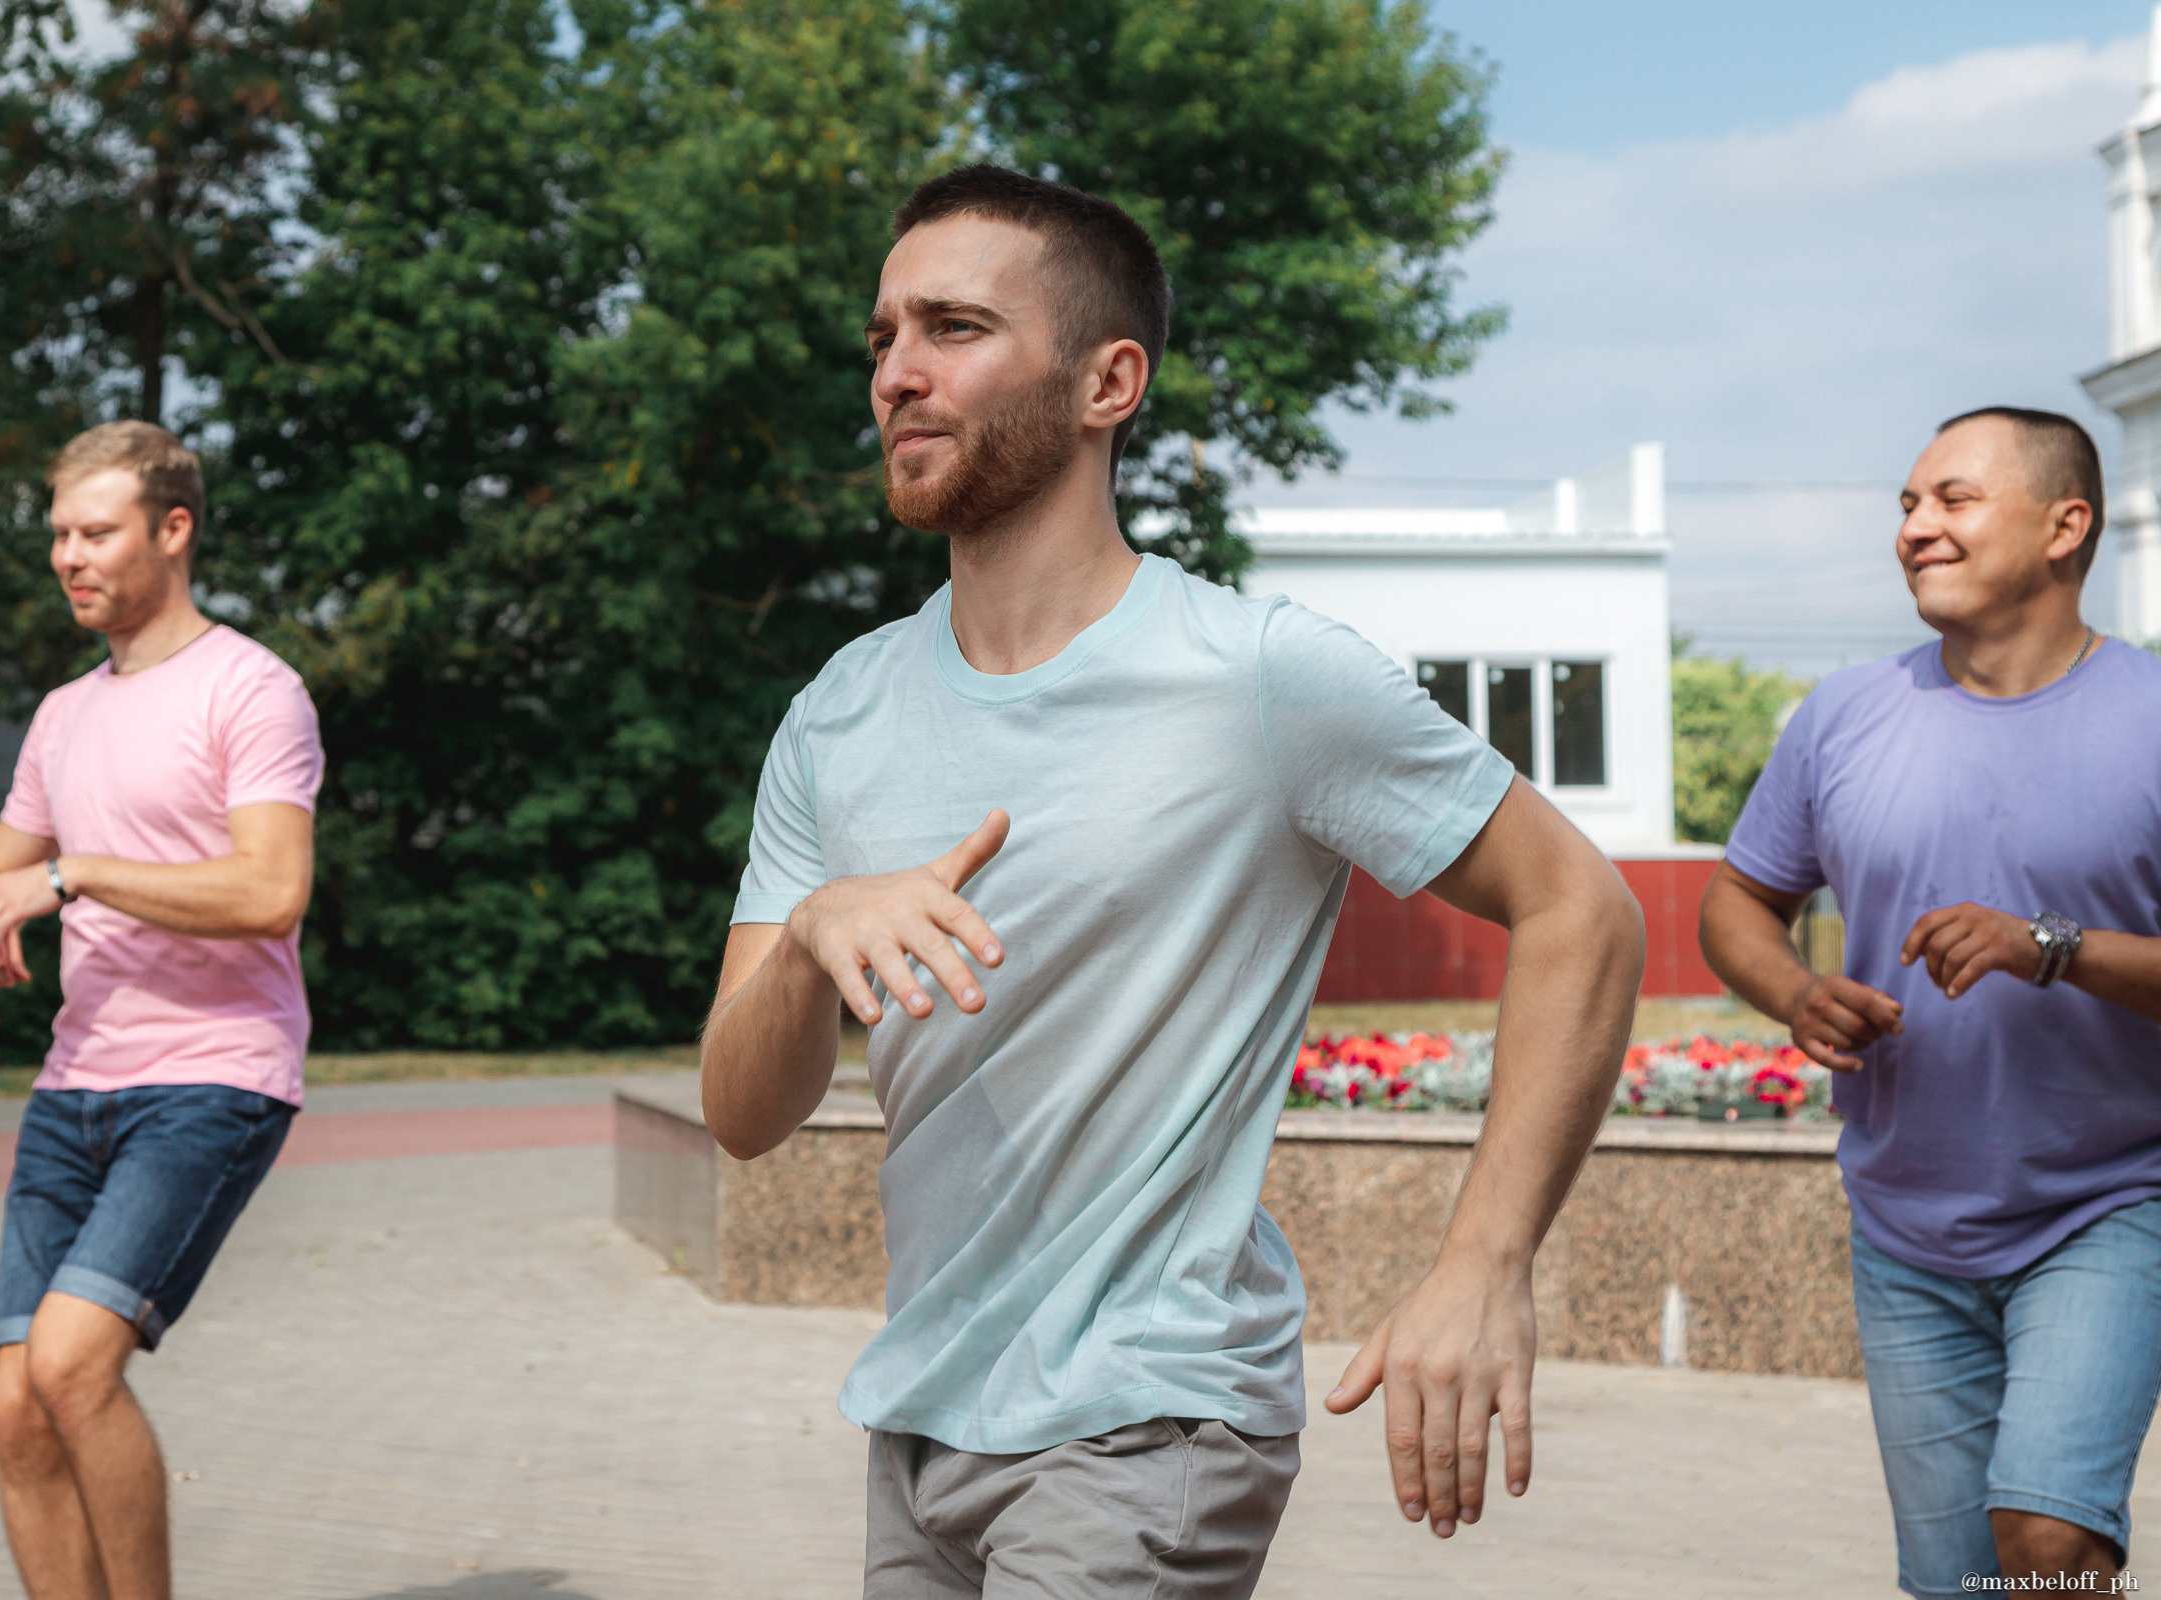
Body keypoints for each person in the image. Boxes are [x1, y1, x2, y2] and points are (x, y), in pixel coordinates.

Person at [700, 164, 1646, 1599]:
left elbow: (1584, 905)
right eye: (882, 337)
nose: (897, 372)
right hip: (920, 1413)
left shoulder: (1258, 677)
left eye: (951, 327)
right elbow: (742, 1114)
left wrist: (1485, 1261)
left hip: (1148, 1413)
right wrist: (811, 935)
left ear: (1107, 382)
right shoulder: (838, 711)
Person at [1700, 407, 2161, 1598]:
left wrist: (2047, 945)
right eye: (1907, 506)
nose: (1916, 528)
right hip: (1905, 1229)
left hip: (2112, 1203)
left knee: (2048, 1541)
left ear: (2068, 526)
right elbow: (1735, 906)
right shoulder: (1845, 714)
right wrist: (1797, 988)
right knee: (1962, 1583)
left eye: (1952, 500)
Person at [0, 421, 324, 1600]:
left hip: (212, 1079)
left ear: (173, 530)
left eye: (95, 530)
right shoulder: (64, 715)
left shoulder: (252, 689)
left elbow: (270, 889)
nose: (69, 555)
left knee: (70, 1365)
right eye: (57, 533)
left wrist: (75, 873)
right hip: (74, 1088)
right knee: (16, 1401)